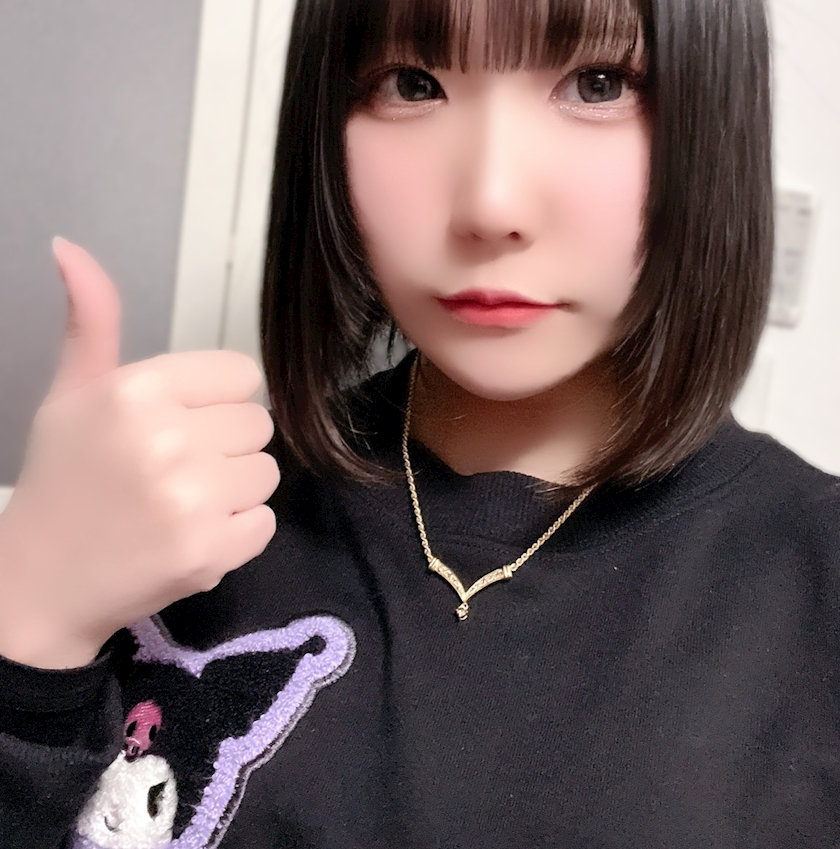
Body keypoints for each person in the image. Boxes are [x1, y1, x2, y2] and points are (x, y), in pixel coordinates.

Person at [1, 0, 836, 846]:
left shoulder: (816, 585)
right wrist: (30, 630)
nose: (491, 203)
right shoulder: (173, 523)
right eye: (413, 84)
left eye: (597, 84)